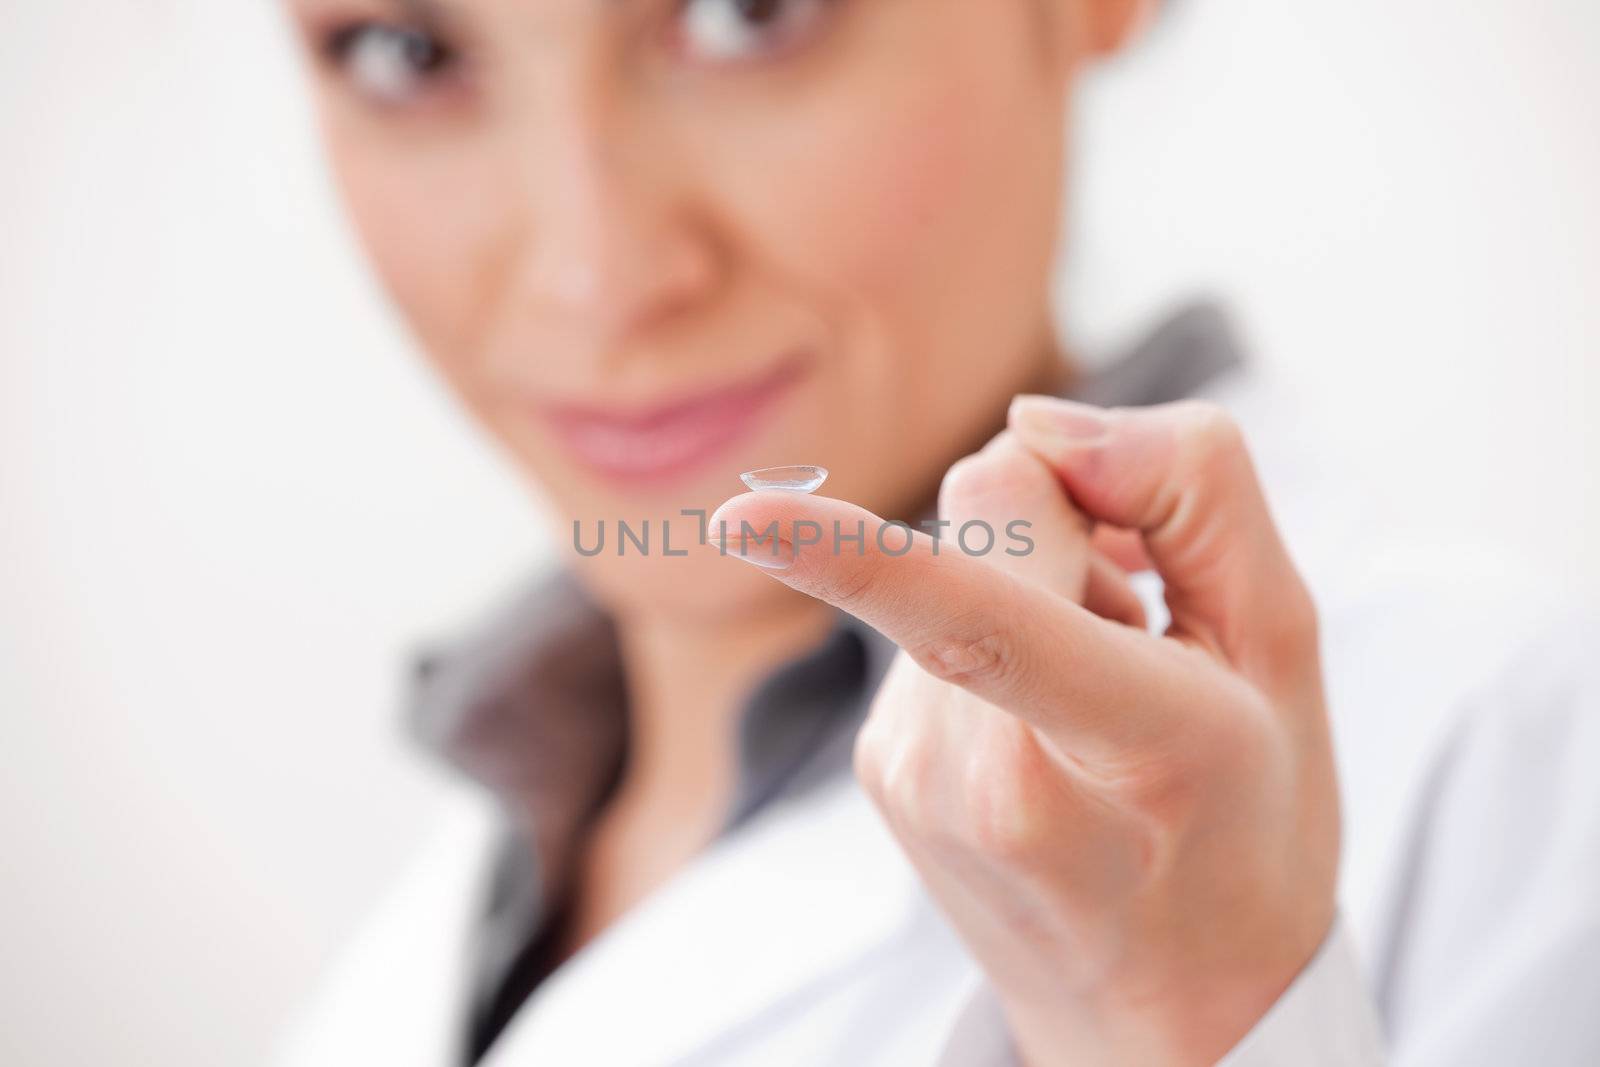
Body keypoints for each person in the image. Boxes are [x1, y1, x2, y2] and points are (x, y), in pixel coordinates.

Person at [273, 1, 1600, 1064]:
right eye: (411, 54)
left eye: (746, 16)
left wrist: (1179, 1032)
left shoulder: (1518, 768)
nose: (599, 279)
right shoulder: (437, 917)